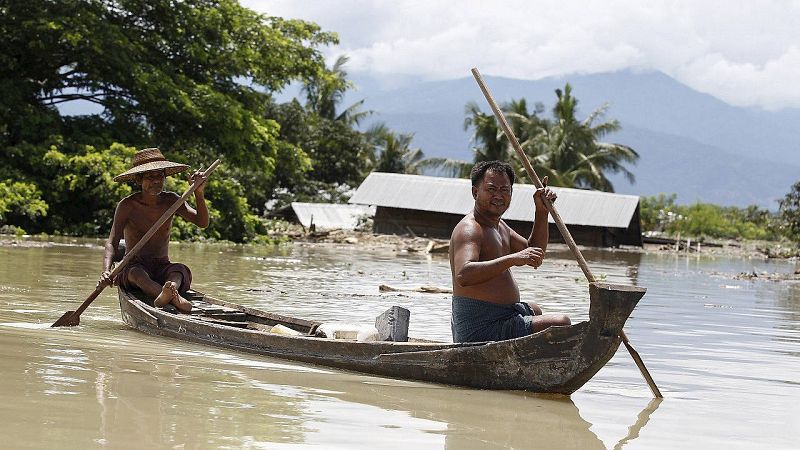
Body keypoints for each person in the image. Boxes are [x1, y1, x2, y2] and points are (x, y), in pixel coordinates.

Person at [449, 160, 571, 342]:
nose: (498, 195)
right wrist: (512, 259)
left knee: (535, 309)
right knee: (561, 323)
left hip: (502, 316)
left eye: (505, 190)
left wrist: (541, 211)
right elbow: (464, 275)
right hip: (481, 327)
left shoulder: (500, 227)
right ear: (475, 192)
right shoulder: (470, 229)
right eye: (491, 189)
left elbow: (535, 253)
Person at [97, 148, 209, 312]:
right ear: (138, 180)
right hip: (134, 266)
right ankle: (170, 296)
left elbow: (202, 222)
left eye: (159, 176)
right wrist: (106, 271)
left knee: (179, 270)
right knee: (138, 275)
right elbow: (112, 242)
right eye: (150, 176)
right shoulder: (127, 206)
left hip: (161, 265)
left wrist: (199, 193)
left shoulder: (171, 200)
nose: (156, 181)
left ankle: (170, 290)